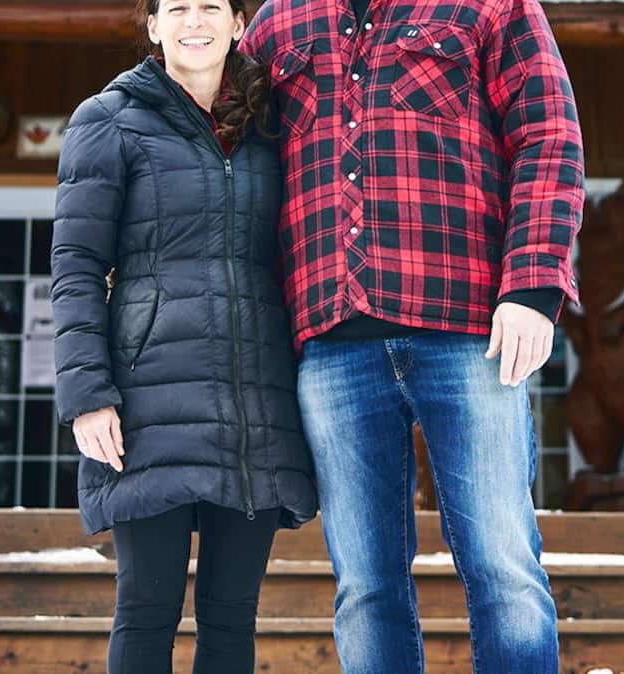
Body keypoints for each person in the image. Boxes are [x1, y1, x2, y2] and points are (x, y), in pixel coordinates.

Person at [241, 0, 584, 671]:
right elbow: (224, 154)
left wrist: (533, 287)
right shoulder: (277, 21)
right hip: (330, 339)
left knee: (504, 568)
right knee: (365, 586)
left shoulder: (491, 5)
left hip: (470, 330)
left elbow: (548, 136)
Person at [50, 0, 316, 671]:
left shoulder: (273, 124)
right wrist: (87, 395)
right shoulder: (108, 119)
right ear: (153, 25)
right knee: (147, 610)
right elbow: (76, 266)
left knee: (231, 617)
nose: (194, 21)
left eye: (210, 7)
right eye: (177, 8)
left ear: (237, 24)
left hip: (255, 402)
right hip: (149, 399)